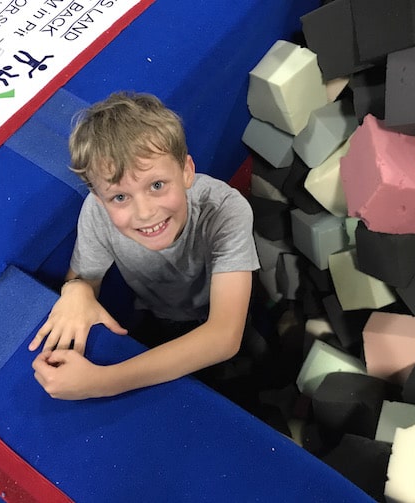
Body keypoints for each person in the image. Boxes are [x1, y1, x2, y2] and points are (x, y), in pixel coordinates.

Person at [29, 91, 261, 401]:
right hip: (162, 317)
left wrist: (101, 382)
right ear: (100, 199)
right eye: (120, 197)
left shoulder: (224, 209)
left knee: (251, 361)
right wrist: (78, 291)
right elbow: (83, 280)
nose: (145, 212)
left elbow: (223, 336)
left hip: (233, 308)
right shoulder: (97, 213)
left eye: (156, 185)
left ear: (186, 171)